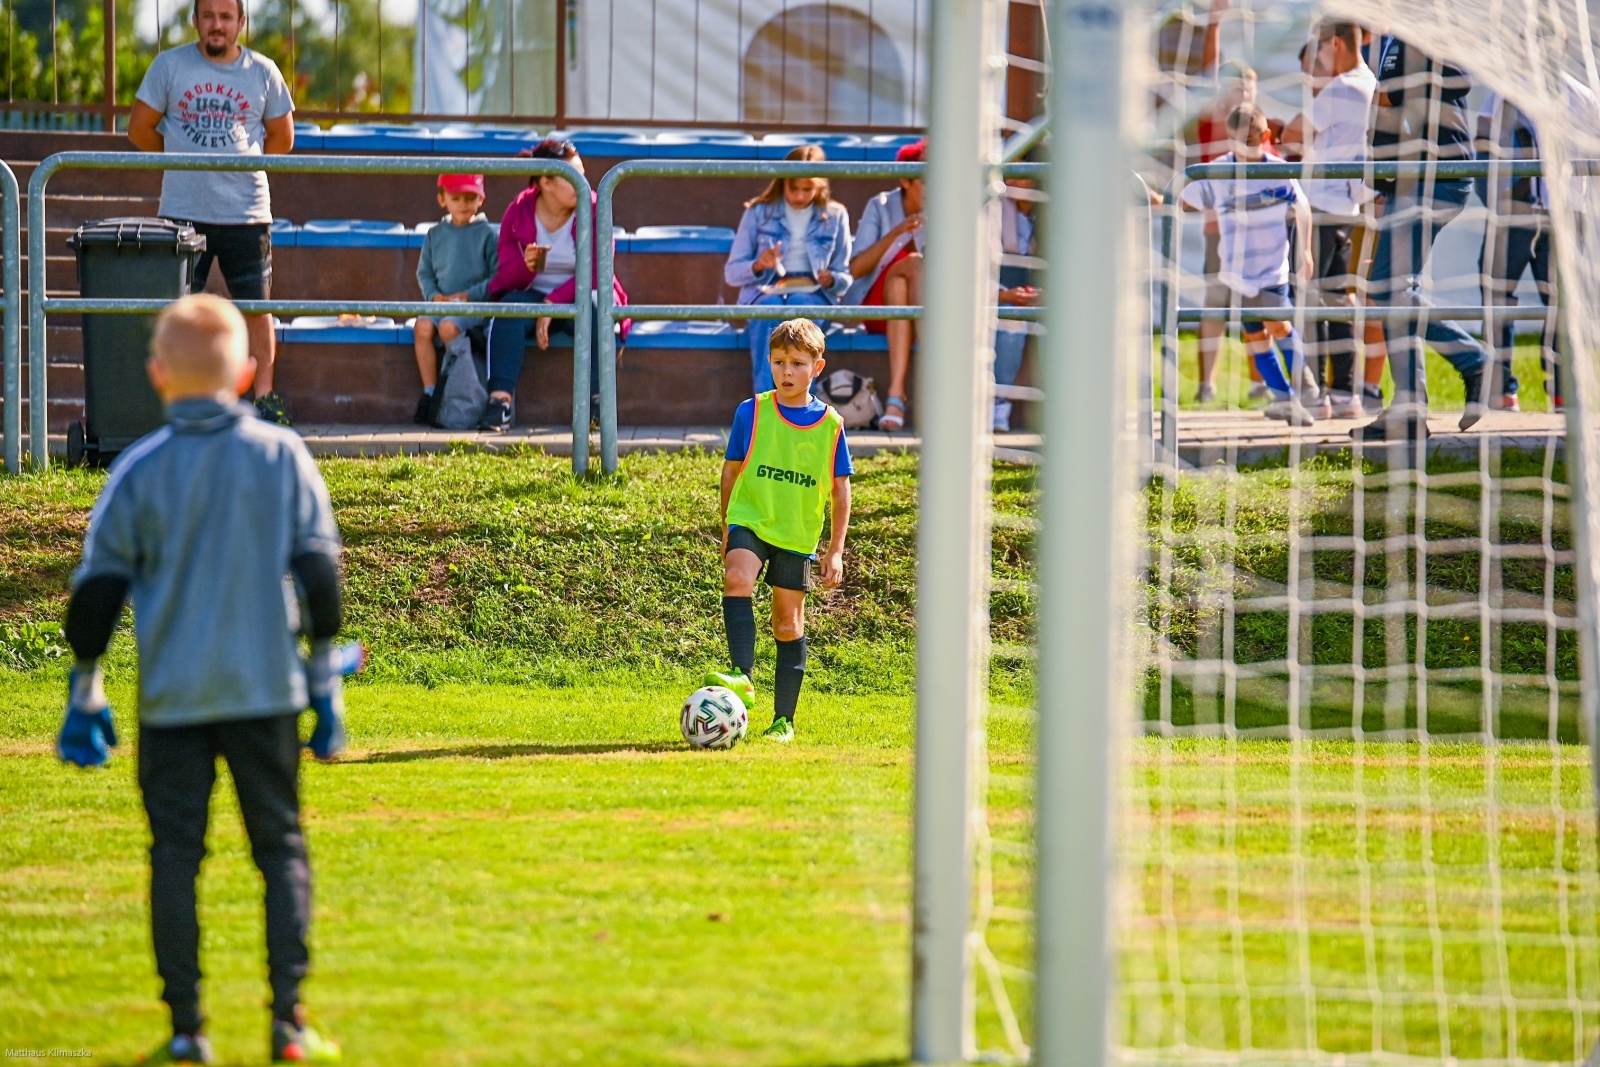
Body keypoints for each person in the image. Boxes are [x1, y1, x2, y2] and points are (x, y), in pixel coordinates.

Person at [56, 294, 348, 1064]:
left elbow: (95, 597)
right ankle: (289, 1022)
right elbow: (320, 577)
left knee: (175, 855)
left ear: (156, 375)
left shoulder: (137, 471)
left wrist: (86, 684)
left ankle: (186, 1028)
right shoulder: (284, 456)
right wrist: (326, 682)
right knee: (279, 848)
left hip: (173, 698)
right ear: (249, 371)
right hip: (266, 691)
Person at [128, 0, 297, 426]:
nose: (216, 25)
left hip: (246, 211)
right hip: (183, 211)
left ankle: (265, 400)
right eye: (208, 16)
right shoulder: (169, 66)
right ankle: (174, 400)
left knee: (257, 309)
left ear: (241, 22)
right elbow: (138, 128)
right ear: (196, 21)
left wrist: (240, 168)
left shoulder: (264, 71)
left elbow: (283, 137)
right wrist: (182, 162)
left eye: (226, 17)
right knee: (179, 310)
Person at [703, 318, 852, 743]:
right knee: (736, 578)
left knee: (787, 624)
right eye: (779, 362)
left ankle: (783, 720)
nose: (787, 372)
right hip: (751, 520)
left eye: (798, 364)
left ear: (817, 367)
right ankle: (741, 675)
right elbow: (730, 473)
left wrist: (835, 551)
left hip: (796, 535)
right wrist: (729, 524)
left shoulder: (830, 425)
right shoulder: (751, 412)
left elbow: (842, 493)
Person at [1358, 35, 1490, 440]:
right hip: (1424, 180)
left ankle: (1474, 361)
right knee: (1394, 288)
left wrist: (1381, 178)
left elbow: (1388, 111)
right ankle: (1409, 410)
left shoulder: (1414, 38)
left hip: (1432, 180)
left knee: (1386, 287)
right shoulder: (1413, 40)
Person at [1180, 104, 1318, 425]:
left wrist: (1306, 252)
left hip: (1272, 269)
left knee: (1278, 325)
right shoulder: (1219, 171)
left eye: (1250, 141)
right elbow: (1186, 197)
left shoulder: (1277, 170)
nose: (1242, 149)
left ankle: (1307, 384)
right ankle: (1285, 400)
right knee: (1255, 336)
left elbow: (1303, 209)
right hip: (1236, 274)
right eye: (1235, 142)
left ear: (1266, 137)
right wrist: (1160, 198)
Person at [481, 139, 629, 432]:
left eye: (583, 174)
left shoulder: (596, 207)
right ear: (546, 182)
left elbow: (600, 270)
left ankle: (598, 406)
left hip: (586, 292)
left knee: (599, 309)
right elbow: (506, 278)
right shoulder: (519, 210)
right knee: (508, 310)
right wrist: (527, 267)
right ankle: (500, 403)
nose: (582, 184)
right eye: (573, 177)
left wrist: (552, 305)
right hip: (532, 295)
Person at [1281, 20, 1376, 418]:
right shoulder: (1373, 84)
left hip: (1318, 205)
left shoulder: (1343, 86)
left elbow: (1291, 134)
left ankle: (1316, 393)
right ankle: (1344, 392)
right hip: (1349, 206)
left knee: (1309, 298)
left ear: (1334, 43)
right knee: (1338, 298)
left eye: (1318, 51)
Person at [724, 144, 853, 393]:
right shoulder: (759, 211)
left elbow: (845, 276)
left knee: (802, 308)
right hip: (766, 288)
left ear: (820, 186)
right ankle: (766, 405)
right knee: (767, 312)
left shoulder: (836, 215)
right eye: (794, 188)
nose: (800, 196)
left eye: (808, 189)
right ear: (782, 182)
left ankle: (799, 406)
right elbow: (732, 273)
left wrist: (831, 280)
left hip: (814, 290)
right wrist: (759, 265)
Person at [1476, 94, 1553, 411]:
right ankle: (1503, 389)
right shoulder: (1502, 90)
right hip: (1519, 211)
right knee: (1498, 297)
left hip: (1552, 213)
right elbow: (1482, 136)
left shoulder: (1579, 93)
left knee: (1559, 307)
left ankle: (1558, 392)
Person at [847, 138, 927, 430]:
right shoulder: (879, 206)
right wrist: (897, 232)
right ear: (906, 180)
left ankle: (896, 395)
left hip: (925, 308)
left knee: (903, 285)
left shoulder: (948, 208)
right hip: (876, 309)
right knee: (913, 265)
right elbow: (856, 268)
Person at [413, 173, 499, 424]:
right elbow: (425, 273)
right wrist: (433, 296)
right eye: (456, 197)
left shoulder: (487, 234)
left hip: (474, 308)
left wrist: (470, 295)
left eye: (470, 197)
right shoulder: (435, 234)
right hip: (442, 304)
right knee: (422, 326)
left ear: (481, 199)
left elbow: (496, 277)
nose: (463, 203)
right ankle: (430, 393)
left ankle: (456, 389)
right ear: (442, 200)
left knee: (450, 327)